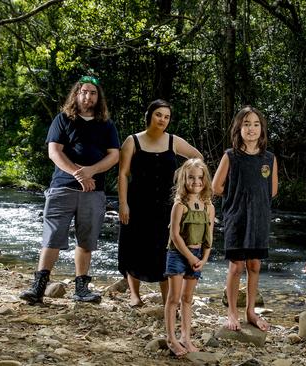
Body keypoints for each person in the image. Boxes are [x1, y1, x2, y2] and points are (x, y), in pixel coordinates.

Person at [20, 75, 120, 304]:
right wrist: (78, 173)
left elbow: (114, 155)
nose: (88, 96)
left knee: (87, 241)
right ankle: (38, 287)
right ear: (76, 94)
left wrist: (90, 172)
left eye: (93, 93)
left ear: (98, 97)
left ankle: (81, 289)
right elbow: (54, 152)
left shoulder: (106, 124)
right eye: (84, 92)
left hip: (93, 191)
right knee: (52, 237)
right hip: (61, 189)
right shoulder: (63, 119)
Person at [117, 99, 202, 307]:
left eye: (166, 116)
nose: (162, 119)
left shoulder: (173, 141)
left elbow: (196, 157)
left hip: (167, 206)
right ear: (149, 116)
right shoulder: (132, 141)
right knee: (134, 246)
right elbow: (123, 174)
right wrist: (122, 203)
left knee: (165, 249)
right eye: (158, 115)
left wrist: (182, 175)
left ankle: (167, 299)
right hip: (137, 203)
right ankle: (134, 295)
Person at [212, 106, 278, 332]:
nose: (251, 129)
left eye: (256, 124)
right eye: (246, 124)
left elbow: (273, 190)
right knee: (236, 266)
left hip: (259, 218)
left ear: (262, 129)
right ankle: (232, 311)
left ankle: (251, 311)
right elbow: (216, 186)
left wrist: (255, 200)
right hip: (237, 216)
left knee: (254, 264)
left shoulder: (269, 158)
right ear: (238, 128)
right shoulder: (230, 156)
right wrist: (237, 196)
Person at [164, 158, 215, 357]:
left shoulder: (208, 207)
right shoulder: (180, 205)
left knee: (187, 298)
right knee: (174, 298)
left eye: (200, 178)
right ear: (184, 179)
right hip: (178, 254)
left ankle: (186, 336)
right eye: (191, 178)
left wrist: (203, 258)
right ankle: (171, 338)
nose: (196, 182)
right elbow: (175, 236)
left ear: (205, 180)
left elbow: (209, 236)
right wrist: (189, 256)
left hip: (197, 256)